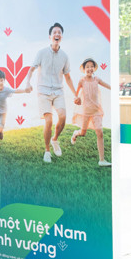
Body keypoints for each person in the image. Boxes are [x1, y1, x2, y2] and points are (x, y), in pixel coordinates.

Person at [23, 22, 78, 163]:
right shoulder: (41, 53)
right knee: (49, 121)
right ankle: (47, 150)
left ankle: (55, 139)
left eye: (59, 32)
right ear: (50, 36)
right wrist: (27, 82)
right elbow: (31, 69)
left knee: (63, 117)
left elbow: (68, 77)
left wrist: (76, 94)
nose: (57, 34)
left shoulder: (64, 56)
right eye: (54, 32)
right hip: (43, 91)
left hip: (58, 91)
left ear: (61, 37)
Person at [71, 58, 112, 166]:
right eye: (87, 67)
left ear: (94, 68)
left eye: (92, 66)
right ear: (84, 69)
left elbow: (107, 85)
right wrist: (76, 99)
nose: (90, 68)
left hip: (96, 110)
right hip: (86, 111)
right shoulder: (82, 81)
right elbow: (76, 94)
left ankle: (101, 160)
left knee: (100, 132)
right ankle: (75, 133)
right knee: (83, 133)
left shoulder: (97, 79)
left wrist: (115, 89)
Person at [0, 69, 28, 144]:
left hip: (3, 112)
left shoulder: (6, 90)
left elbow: (16, 91)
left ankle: (0, 132)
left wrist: (25, 90)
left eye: (1, 80)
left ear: (4, 81)